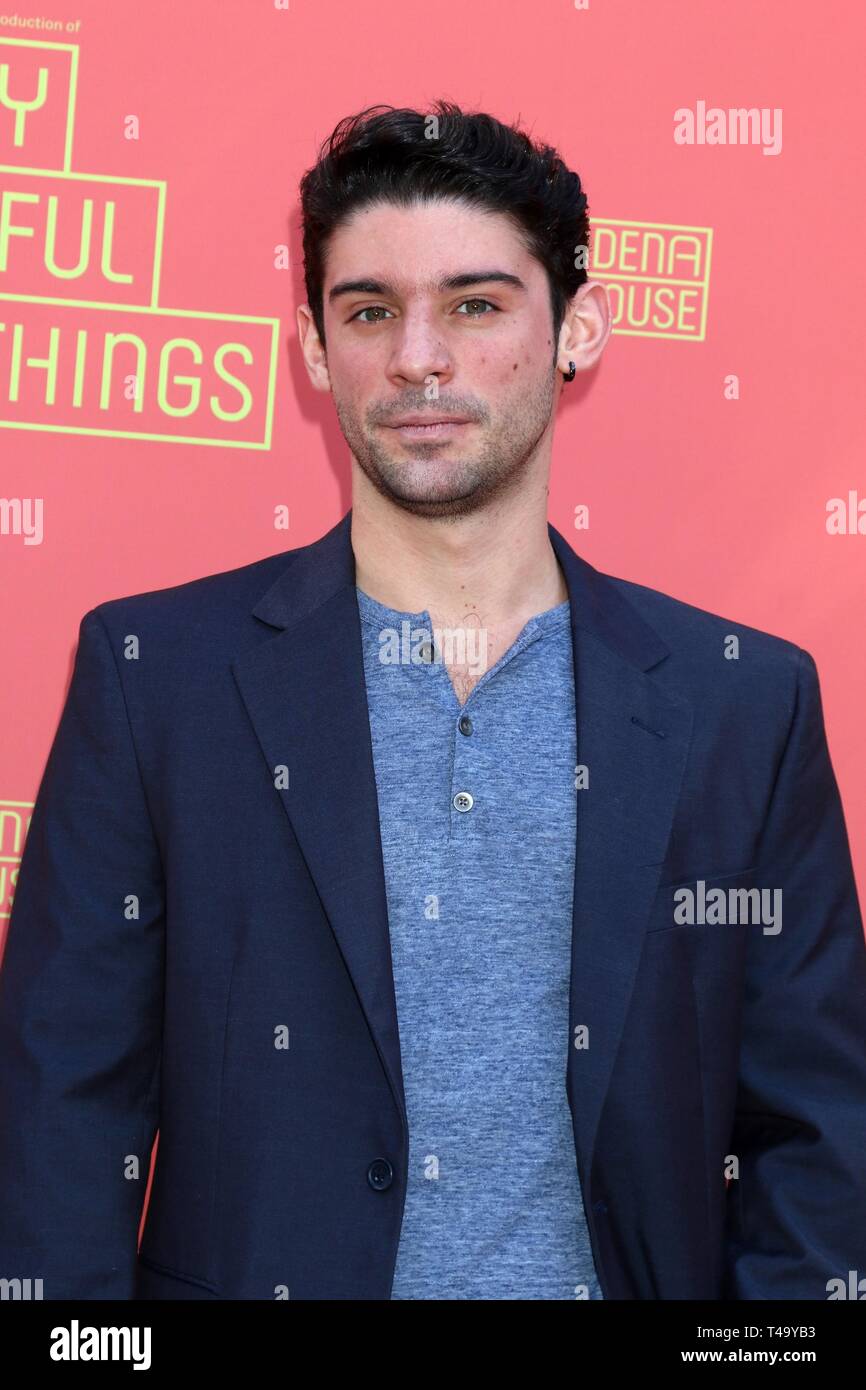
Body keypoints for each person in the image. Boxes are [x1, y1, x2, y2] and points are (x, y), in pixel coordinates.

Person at [1, 101, 865, 1301]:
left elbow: (816, 1137)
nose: (418, 357)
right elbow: (61, 1109)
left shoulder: (741, 704)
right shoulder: (156, 678)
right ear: (311, 348)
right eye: (368, 310)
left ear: (577, 328)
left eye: (473, 304)